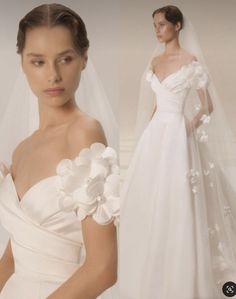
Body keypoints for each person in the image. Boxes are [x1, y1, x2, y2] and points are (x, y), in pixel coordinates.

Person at [0, 4, 119, 299]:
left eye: (64, 59)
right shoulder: (21, 150)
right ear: (22, 63)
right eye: (38, 61)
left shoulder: (84, 133)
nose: (52, 75)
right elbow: (14, 258)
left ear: (83, 59)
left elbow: (103, 268)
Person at [119, 5, 236, 299]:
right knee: (147, 196)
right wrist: (149, 132)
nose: (157, 30)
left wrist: (188, 127)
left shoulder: (191, 61)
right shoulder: (155, 61)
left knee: (177, 198)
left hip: (177, 134)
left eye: (162, 24)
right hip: (155, 134)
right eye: (154, 25)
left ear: (178, 26)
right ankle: (148, 266)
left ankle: (181, 270)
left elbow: (206, 105)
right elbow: (157, 105)